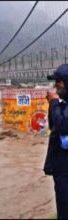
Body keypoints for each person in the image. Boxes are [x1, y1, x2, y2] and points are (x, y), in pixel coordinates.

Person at [45, 63, 68, 219]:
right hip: (62, 168)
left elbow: (63, 126)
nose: (55, 85)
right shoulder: (64, 103)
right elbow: (53, 126)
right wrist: (53, 104)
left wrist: (53, 103)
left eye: (58, 81)